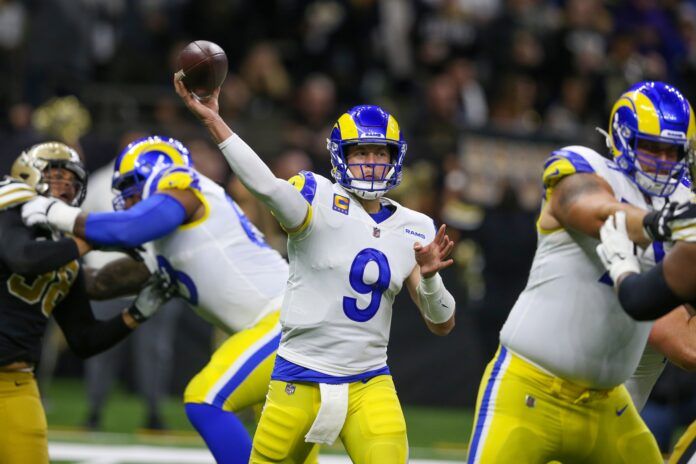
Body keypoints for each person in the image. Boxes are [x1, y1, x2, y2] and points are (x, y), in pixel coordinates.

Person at [173, 76, 457, 463]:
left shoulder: (415, 226)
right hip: (299, 377)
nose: (372, 163)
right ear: (341, 155)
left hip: (368, 381)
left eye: (380, 153)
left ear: (395, 158)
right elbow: (267, 188)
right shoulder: (316, 195)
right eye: (361, 153)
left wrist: (430, 278)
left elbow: (441, 323)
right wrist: (215, 123)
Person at [20, 136, 314, 463]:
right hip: (284, 329)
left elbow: (128, 229)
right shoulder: (164, 241)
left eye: (129, 188)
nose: (126, 202)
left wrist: (55, 213)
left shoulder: (187, 190)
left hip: (285, 322)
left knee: (206, 399)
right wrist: (31, 257)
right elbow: (98, 284)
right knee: (291, 458)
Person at [466, 81, 695, 463]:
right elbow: (588, 208)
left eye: (670, 151)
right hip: (529, 389)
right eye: (650, 147)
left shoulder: (682, 207)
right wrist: (660, 223)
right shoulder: (586, 166)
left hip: (608, 405)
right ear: (622, 140)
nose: (660, 160)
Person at [0, 142, 169, 464]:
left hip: (15, 384)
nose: (64, 186)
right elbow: (22, 258)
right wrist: (91, 238)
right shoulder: (8, 208)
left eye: (71, 181)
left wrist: (138, 312)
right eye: (55, 176)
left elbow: (83, 339)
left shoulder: (64, 254)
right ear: (26, 174)